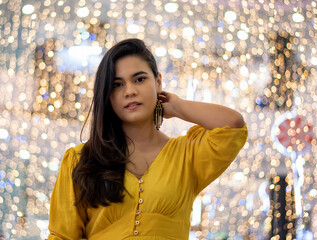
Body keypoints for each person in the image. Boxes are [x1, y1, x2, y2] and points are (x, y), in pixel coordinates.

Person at [48, 38, 248, 239]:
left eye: (139, 79)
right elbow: (62, 236)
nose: (130, 91)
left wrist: (177, 106)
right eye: (117, 84)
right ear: (107, 94)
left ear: (158, 82)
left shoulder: (187, 156)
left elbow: (232, 123)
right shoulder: (81, 160)